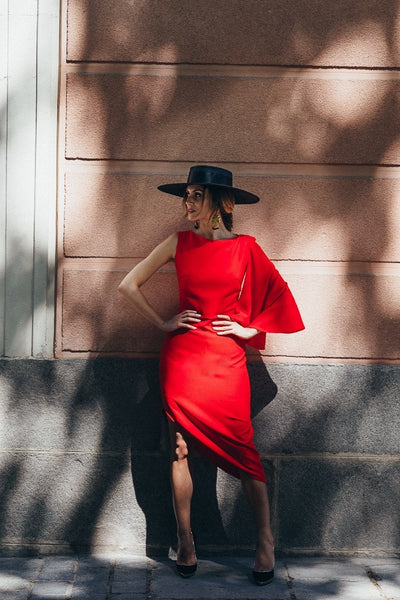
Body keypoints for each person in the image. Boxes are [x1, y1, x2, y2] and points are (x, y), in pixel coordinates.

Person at [118, 165, 304, 585]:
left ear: (223, 203)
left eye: (196, 195)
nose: (187, 202)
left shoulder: (245, 248)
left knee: (244, 449)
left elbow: (279, 295)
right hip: (183, 358)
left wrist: (250, 329)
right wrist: (163, 323)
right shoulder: (177, 243)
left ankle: (265, 542)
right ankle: (185, 540)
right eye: (186, 195)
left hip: (226, 360)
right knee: (179, 448)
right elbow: (128, 285)